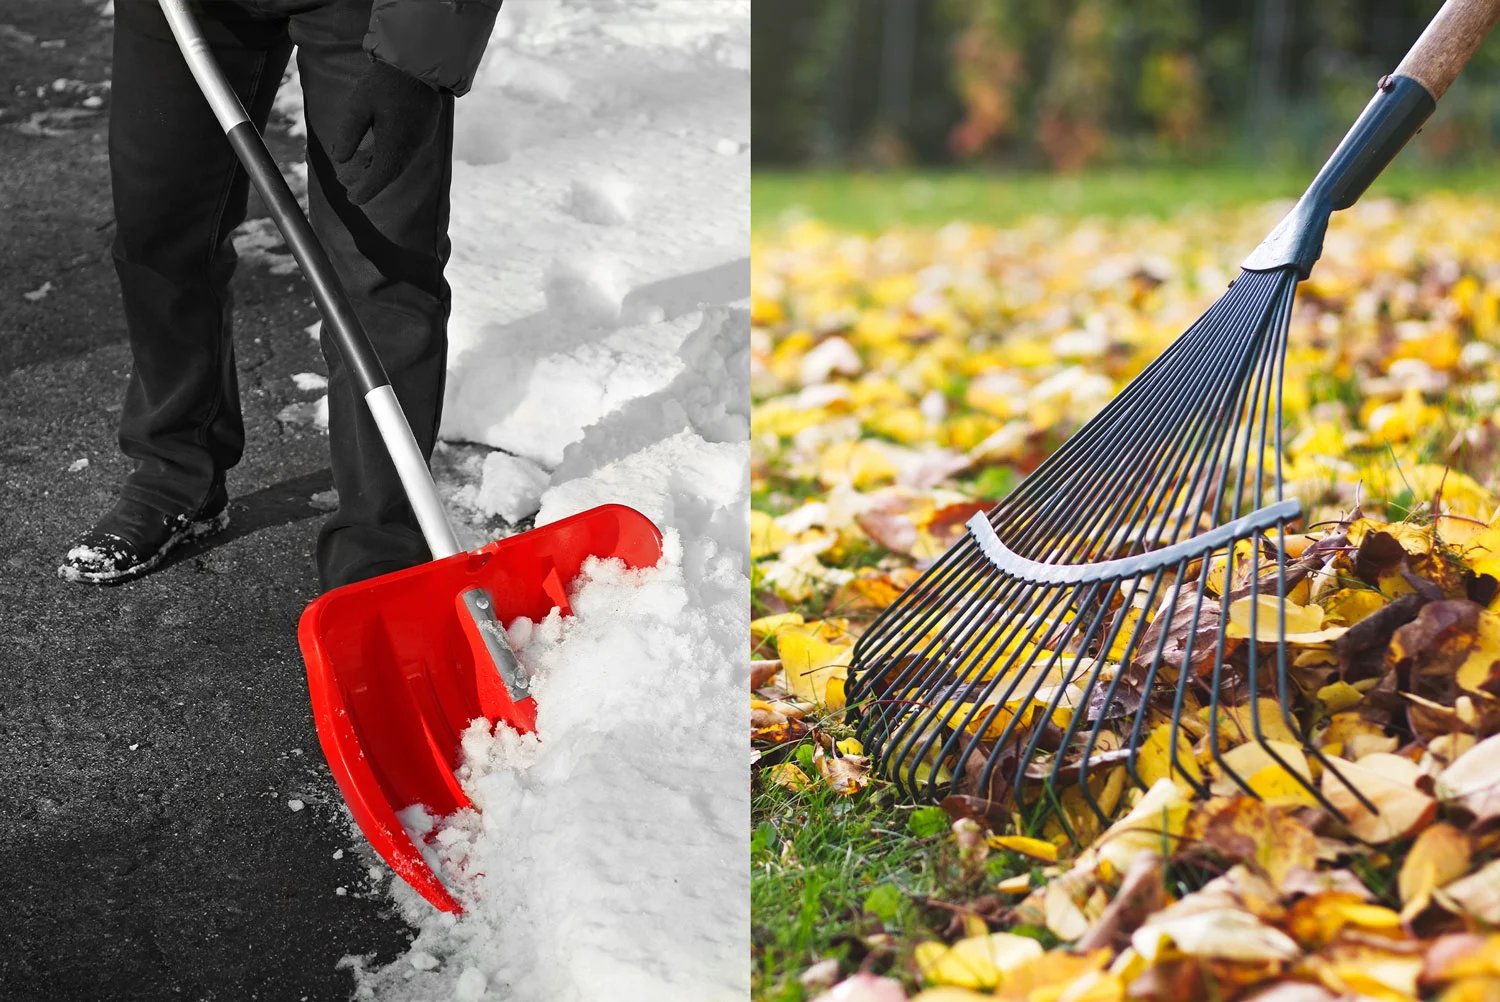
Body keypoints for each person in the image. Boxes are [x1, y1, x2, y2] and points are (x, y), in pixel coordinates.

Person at [59, 0, 501, 591]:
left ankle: (380, 554)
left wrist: (416, 54)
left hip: (372, 15)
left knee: (381, 269)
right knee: (160, 232)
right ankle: (175, 473)